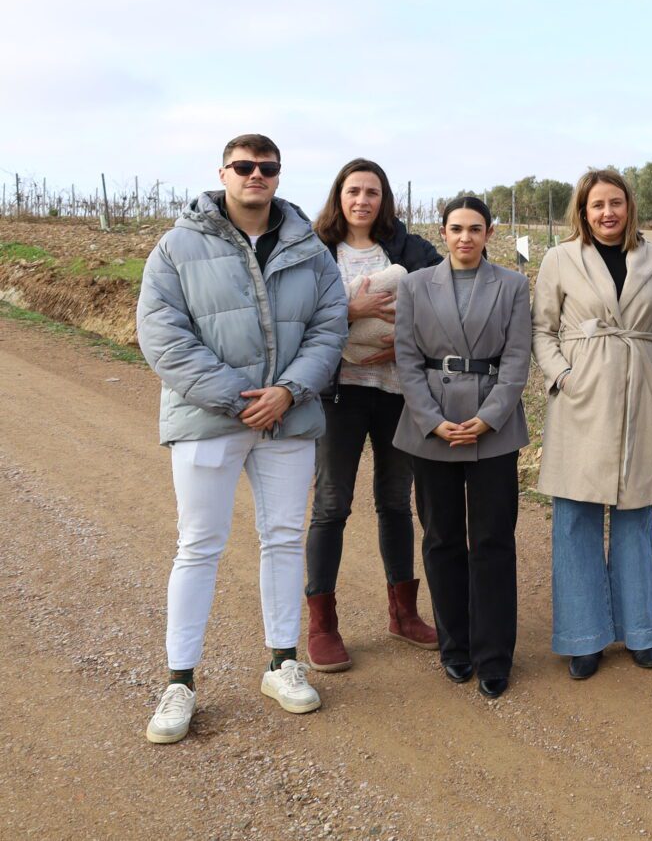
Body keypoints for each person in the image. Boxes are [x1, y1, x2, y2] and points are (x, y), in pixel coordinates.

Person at [136, 134, 348, 744]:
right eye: (245, 167)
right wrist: (239, 398)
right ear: (223, 172)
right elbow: (163, 335)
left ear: (279, 175)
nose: (257, 175)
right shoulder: (176, 247)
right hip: (209, 418)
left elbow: (329, 326)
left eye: (268, 167)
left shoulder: (309, 248)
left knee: (282, 539)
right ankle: (180, 681)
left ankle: (283, 662)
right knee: (198, 544)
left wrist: (287, 390)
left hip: (288, 417)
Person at [532, 169, 652, 680]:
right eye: (597, 205)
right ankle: (583, 636)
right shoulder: (559, 259)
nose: (607, 213)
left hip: (642, 395)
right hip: (581, 397)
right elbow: (542, 328)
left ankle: (640, 632)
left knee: (636, 518)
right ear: (583, 209)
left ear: (629, 206)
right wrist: (562, 376)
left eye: (615, 203)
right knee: (575, 517)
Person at [304, 158, 443, 672]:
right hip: (336, 394)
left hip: (395, 391)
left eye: (373, 192)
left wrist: (406, 347)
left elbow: (449, 298)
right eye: (353, 190)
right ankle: (323, 625)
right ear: (338, 195)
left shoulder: (409, 250)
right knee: (332, 503)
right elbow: (292, 313)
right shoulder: (315, 250)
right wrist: (351, 313)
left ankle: (403, 613)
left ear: (385, 199)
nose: (363, 200)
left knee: (394, 501)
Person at [392, 196, 532, 698]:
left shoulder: (514, 286)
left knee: (493, 541)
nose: (465, 237)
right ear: (443, 232)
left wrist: (488, 418)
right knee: (442, 538)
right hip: (430, 426)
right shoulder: (413, 285)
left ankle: (494, 655)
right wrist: (432, 421)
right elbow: (406, 360)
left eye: (475, 228)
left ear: (489, 233)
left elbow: (517, 359)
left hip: (494, 429)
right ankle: (456, 646)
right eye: (456, 228)